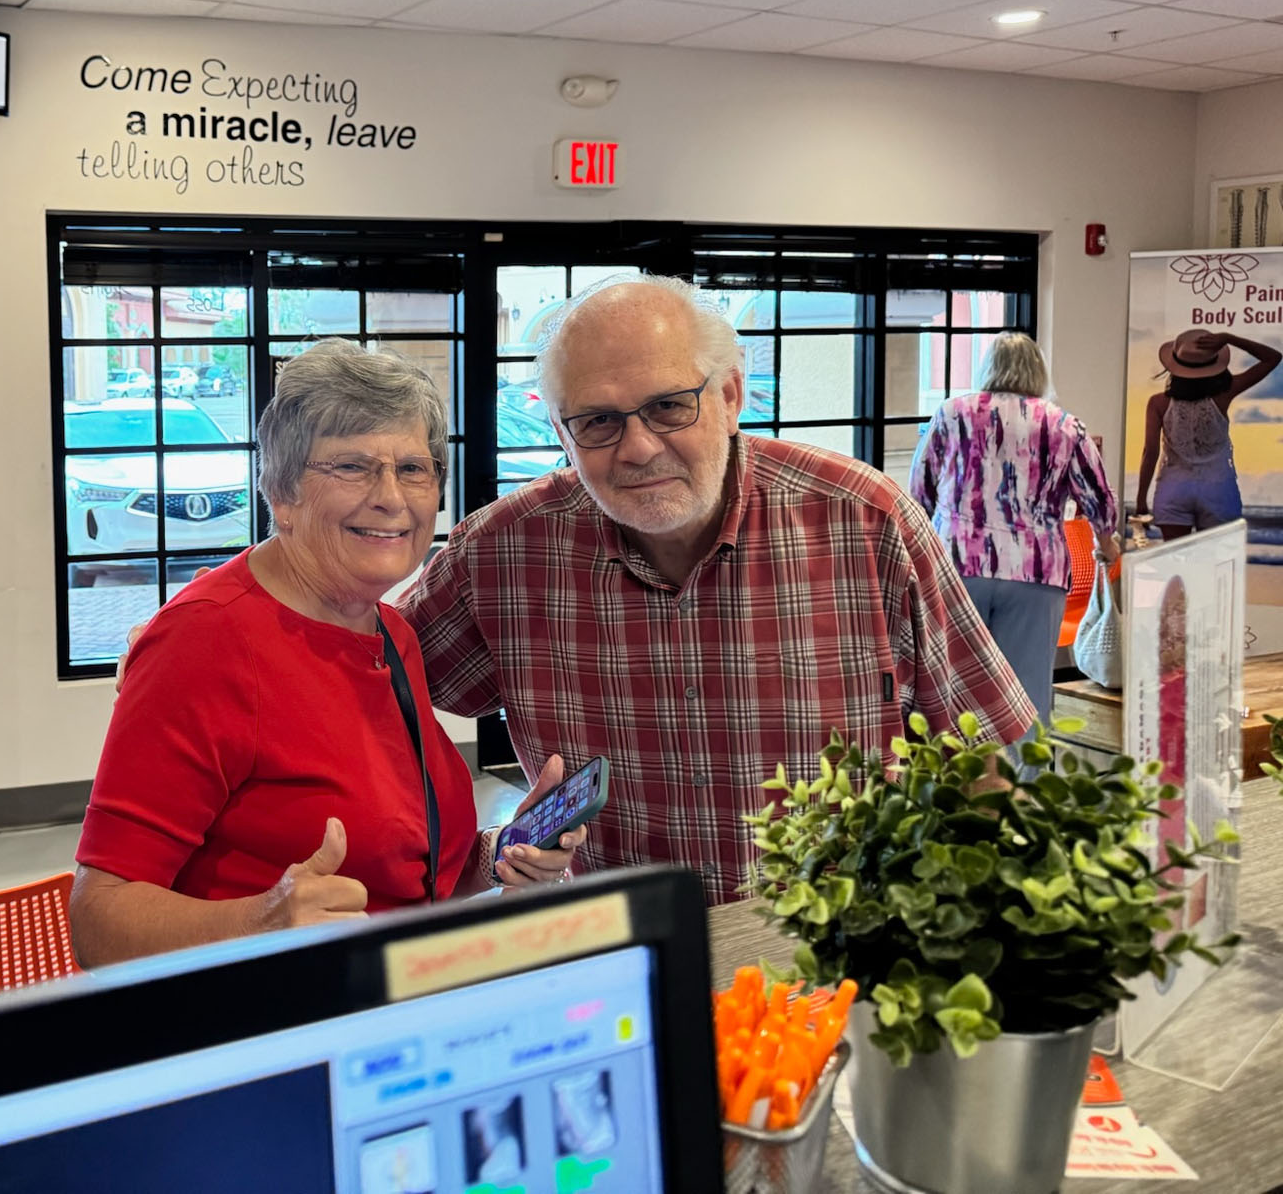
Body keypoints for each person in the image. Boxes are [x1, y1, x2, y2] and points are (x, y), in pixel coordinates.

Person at [403, 277, 1035, 905]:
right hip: (633, 957)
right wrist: (476, 854)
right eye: (597, 421)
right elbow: (361, 694)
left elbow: (981, 760)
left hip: (838, 954)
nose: (640, 448)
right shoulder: (503, 553)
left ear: (731, 394)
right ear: (562, 432)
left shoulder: (867, 525)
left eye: (670, 406)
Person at [71, 341, 579, 967]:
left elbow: (404, 872)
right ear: (280, 493)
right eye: (351, 467)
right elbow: (98, 921)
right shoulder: (203, 642)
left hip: (387, 1001)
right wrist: (264, 919)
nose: (392, 497)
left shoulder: (390, 632)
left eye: (414, 469)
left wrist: (500, 853)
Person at [907, 332, 1121, 721]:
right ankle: (1024, 780)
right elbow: (1099, 502)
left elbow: (920, 491)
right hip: (1036, 574)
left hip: (957, 569)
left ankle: (954, 779)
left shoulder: (952, 414)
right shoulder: (1064, 425)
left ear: (988, 369)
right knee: (1024, 694)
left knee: (952, 688)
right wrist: (1108, 545)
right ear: (1039, 371)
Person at [1136, 328, 1280, 539]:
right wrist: (1230, 338)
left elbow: (1150, 452)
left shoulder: (1158, 403)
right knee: (1214, 565)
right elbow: (1272, 358)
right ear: (1214, 365)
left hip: (1174, 488)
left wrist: (1141, 501)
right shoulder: (1225, 393)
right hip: (1218, 489)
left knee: (1176, 564)